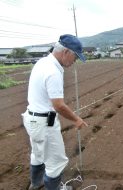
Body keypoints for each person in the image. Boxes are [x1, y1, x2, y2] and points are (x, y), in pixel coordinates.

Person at [22, 34, 88, 190]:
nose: (74, 61)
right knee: (56, 162)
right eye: (75, 57)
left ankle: (36, 184)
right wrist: (77, 119)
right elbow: (58, 105)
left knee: (37, 155)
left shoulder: (42, 62)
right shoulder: (53, 71)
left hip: (32, 119)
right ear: (66, 52)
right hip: (45, 124)